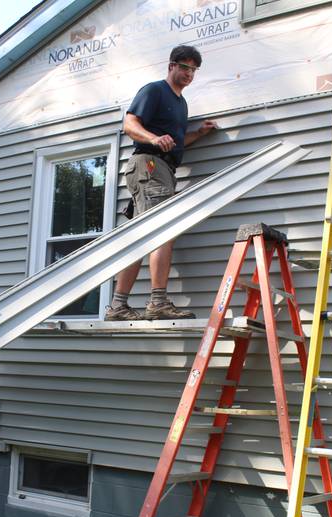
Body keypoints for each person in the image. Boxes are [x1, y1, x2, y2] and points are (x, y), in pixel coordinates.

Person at [105, 45, 218, 321]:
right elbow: (129, 124)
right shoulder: (154, 91)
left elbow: (176, 143)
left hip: (163, 168)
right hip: (149, 164)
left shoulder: (181, 104)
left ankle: (118, 305)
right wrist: (153, 138)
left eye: (193, 69)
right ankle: (157, 302)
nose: (189, 73)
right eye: (184, 67)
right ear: (171, 66)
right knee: (161, 231)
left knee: (140, 237)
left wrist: (198, 134)